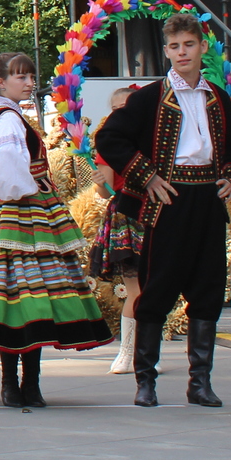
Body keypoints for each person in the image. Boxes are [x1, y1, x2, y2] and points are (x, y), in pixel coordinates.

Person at [0, 54, 110, 405]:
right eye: (20, 77)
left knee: (14, 295)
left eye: (30, 77)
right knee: (27, 294)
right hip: (22, 212)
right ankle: (23, 383)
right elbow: (10, 169)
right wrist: (30, 192)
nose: (28, 83)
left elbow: (0, 170)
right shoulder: (9, 119)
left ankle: (18, 383)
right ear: (1, 83)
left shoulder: (3, 115)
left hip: (11, 212)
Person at [96, 15, 231, 408]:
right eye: (175, 46)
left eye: (189, 45)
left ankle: (200, 383)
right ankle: (145, 381)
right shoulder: (149, 98)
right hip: (166, 205)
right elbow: (109, 138)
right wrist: (146, 177)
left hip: (207, 203)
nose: (182, 52)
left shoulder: (216, 97)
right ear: (166, 51)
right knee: (157, 287)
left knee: (209, 288)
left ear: (202, 48)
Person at [88, 84, 150, 375]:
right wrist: (99, 181)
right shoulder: (108, 143)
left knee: (154, 289)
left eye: (126, 107)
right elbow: (106, 191)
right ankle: (127, 353)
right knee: (136, 290)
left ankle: (148, 352)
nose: (121, 114)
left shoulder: (155, 139)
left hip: (157, 213)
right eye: (116, 109)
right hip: (127, 217)